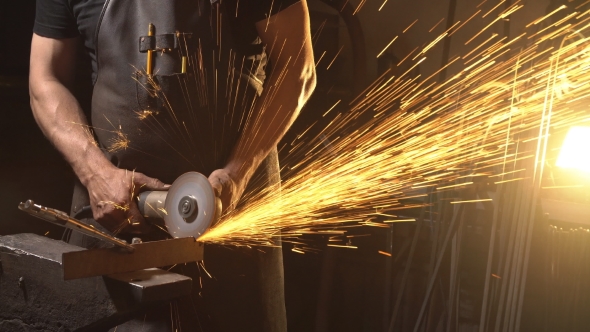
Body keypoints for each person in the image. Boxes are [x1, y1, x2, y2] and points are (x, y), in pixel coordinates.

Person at [29, 0, 316, 331]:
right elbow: (45, 79)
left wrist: (236, 174)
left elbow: (298, 67)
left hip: (229, 212)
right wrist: (96, 172)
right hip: (112, 211)